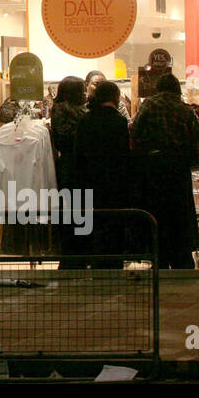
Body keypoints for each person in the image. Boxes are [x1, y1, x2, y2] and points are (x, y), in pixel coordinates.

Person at [130, 73, 199, 269]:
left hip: (153, 168)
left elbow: (135, 131)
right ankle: (181, 258)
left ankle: (159, 257)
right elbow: (197, 137)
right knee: (180, 214)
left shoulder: (149, 105)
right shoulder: (185, 109)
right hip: (179, 169)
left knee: (157, 213)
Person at [73, 80, 137, 269]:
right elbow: (124, 155)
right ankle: (111, 264)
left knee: (92, 226)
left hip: (89, 182)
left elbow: (79, 155)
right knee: (113, 226)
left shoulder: (85, 120)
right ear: (116, 97)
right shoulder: (119, 121)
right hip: (114, 185)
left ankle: (93, 261)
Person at [0, 99, 56, 255]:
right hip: (33, 193)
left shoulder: (35, 136)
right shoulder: (36, 137)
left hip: (10, 194)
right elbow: (47, 168)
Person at [49, 76, 88, 267]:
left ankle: (75, 254)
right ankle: (72, 256)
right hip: (72, 166)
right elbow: (64, 138)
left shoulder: (69, 109)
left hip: (73, 165)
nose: (85, 93)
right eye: (81, 90)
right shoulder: (63, 110)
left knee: (76, 210)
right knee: (75, 210)